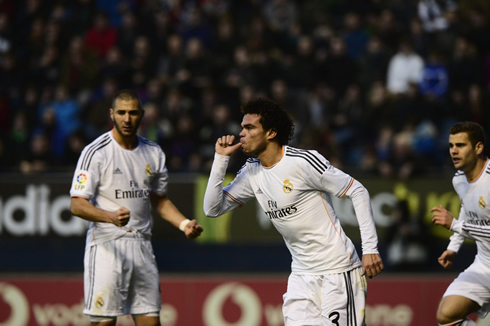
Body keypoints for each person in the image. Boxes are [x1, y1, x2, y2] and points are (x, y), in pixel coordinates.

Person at [203, 97, 383, 325]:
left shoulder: (303, 162)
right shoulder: (251, 172)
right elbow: (212, 209)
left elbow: (357, 190)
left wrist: (370, 249)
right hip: (301, 276)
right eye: (242, 128)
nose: (241, 133)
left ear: (271, 133)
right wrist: (220, 159)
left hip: (338, 271)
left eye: (249, 128)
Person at [70, 89, 203, 326]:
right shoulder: (95, 152)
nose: (127, 119)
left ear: (142, 115)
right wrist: (109, 216)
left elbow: (159, 200)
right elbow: (77, 204)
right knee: (104, 323)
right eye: (121, 113)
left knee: (151, 322)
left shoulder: (153, 152)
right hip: (107, 246)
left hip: (142, 246)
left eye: (132, 113)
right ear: (112, 114)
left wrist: (184, 224)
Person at [431, 121, 490, 326]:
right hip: (484, 266)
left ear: (478, 147)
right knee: (446, 315)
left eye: (461, 145)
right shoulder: (459, 179)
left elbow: (460, 222)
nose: (454, 151)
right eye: (451, 146)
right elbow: (467, 209)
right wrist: (453, 247)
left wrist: (454, 225)